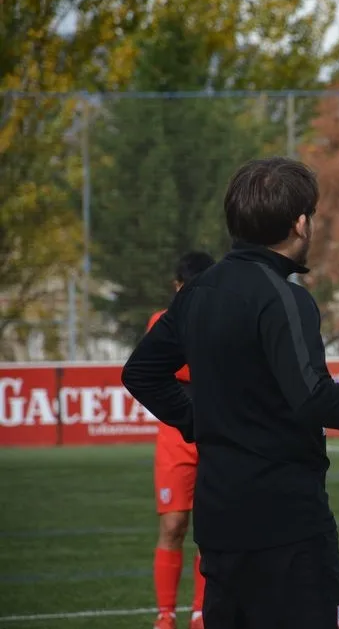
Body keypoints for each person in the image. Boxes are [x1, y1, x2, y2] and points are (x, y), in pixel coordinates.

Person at [121, 156, 339, 629]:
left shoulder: (197, 292)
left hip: (219, 523)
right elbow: (317, 399)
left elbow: (140, 373)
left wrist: (200, 422)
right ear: (301, 223)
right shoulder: (284, 297)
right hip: (285, 525)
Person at [147, 251, 215, 629]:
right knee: (173, 525)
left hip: (217, 435)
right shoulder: (161, 321)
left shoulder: (224, 321)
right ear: (177, 288)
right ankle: (165, 615)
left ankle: (201, 612)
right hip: (175, 438)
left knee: (210, 527)